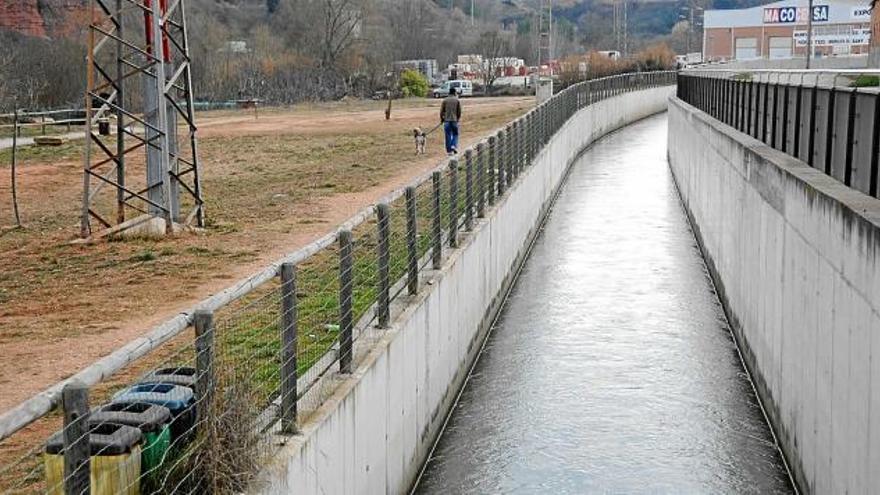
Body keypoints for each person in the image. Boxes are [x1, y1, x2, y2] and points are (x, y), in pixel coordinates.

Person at [440, 87, 462, 155]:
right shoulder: (457, 100)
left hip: (446, 121)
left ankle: (449, 151)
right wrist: (458, 118)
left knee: (447, 135)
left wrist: (442, 119)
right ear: (455, 92)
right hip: (454, 120)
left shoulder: (445, 100)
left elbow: (441, 111)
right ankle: (453, 145)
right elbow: (459, 111)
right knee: (455, 134)